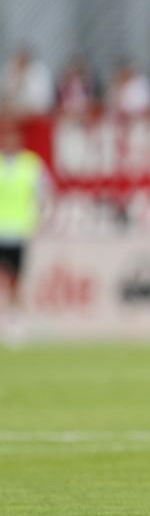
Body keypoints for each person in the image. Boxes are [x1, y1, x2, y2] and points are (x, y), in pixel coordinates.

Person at [0, 116, 50, 345]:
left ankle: (16, 325)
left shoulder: (31, 165)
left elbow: (44, 195)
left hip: (18, 232)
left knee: (16, 280)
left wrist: (39, 219)